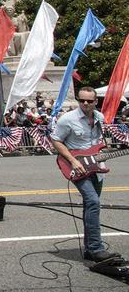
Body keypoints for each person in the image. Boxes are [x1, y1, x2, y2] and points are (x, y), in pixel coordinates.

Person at [51, 86, 120, 262]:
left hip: (96, 167)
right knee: (93, 202)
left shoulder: (99, 117)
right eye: (82, 100)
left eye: (89, 101)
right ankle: (97, 248)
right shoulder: (68, 119)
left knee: (91, 206)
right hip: (77, 166)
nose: (85, 104)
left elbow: (96, 142)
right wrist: (73, 161)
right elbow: (56, 140)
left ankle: (90, 248)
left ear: (96, 102)